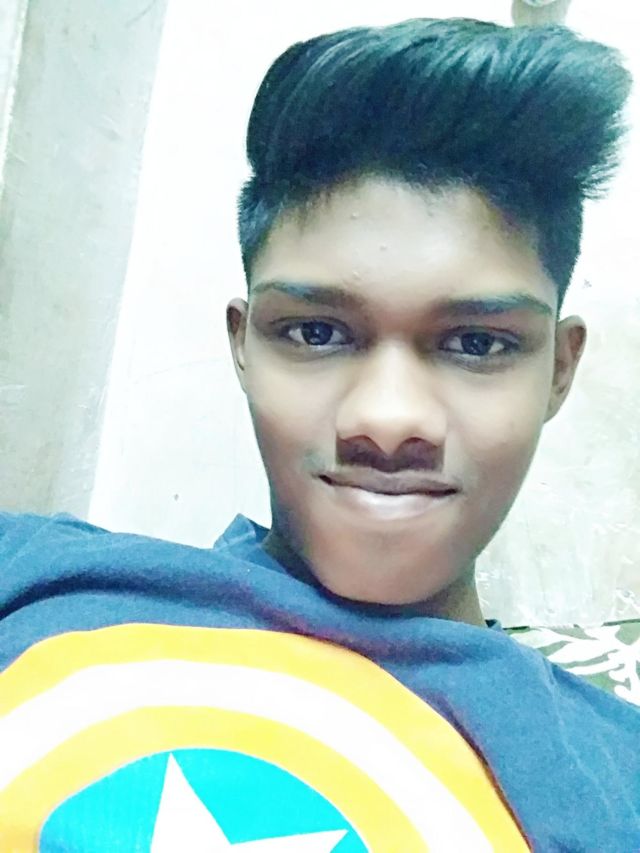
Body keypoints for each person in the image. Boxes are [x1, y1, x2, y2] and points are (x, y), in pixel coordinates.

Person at [1, 16, 638, 851]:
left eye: (478, 344)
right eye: (316, 332)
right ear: (242, 343)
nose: (387, 419)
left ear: (559, 368)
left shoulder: (617, 774)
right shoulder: (35, 574)